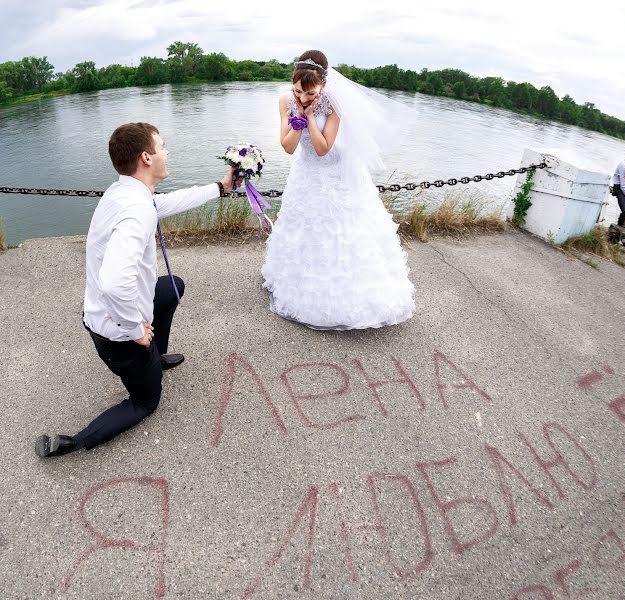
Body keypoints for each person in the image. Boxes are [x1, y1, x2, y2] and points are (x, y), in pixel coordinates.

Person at [35, 122, 239, 457]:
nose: (167, 152)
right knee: (146, 402)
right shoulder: (136, 210)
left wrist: (220, 186)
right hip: (116, 336)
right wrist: (134, 330)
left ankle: (154, 358)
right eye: (163, 146)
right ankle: (74, 442)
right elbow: (115, 283)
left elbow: (168, 203)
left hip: (108, 315)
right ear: (146, 157)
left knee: (172, 287)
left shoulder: (126, 192)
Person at [261, 50, 415, 330]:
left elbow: (322, 148)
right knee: (304, 231)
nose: (303, 98)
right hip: (305, 176)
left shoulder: (335, 105)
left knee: (341, 234)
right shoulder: (285, 101)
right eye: (298, 91)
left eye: (310, 93)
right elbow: (288, 146)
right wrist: (297, 114)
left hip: (334, 174)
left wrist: (308, 116)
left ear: (323, 86)